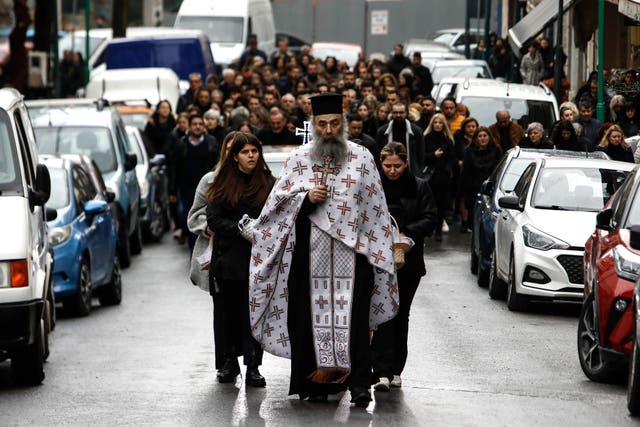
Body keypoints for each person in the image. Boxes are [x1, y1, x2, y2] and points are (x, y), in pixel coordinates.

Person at [248, 93, 398, 406]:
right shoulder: (300, 158)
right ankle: (313, 383)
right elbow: (275, 206)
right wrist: (304, 199)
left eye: (334, 123)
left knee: (355, 322)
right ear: (314, 126)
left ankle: (358, 385)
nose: (328, 129)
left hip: (354, 256)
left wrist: (379, 250)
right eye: (322, 124)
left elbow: (376, 208)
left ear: (342, 124)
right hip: (308, 258)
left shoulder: (362, 158)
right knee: (308, 318)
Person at [206, 132, 275, 387]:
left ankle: (253, 366)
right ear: (235, 157)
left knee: (254, 315)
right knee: (227, 315)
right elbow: (213, 217)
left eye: (254, 152)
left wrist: (259, 230)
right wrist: (239, 228)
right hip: (227, 260)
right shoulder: (223, 182)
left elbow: (279, 213)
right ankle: (228, 363)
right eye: (245, 152)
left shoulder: (267, 182)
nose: (251, 157)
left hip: (258, 261)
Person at [371, 142, 437, 391]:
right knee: (381, 315)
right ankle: (381, 370)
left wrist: (408, 235)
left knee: (401, 314)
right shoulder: (374, 187)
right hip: (378, 260)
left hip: (407, 261)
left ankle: (396, 369)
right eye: (387, 166)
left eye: (397, 166)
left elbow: (430, 217)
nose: (392, 171)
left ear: (406, 163)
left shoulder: (419, 186)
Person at [187, 132, 236, 378]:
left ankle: (251, 363)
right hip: (217, 254)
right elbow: (194, 215)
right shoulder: (210, 180)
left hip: (245, 255)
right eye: (229, 150)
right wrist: (208, 226)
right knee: (223, 311)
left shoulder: (254, 181)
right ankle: (226, 362)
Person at [170, 114, 221, 250]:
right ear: (189, 126)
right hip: (187, 189)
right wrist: (173, 190)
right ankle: (193, 249)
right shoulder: (181, 144)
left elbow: (217, 164)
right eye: (195, 124)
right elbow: (175, 168)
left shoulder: (211, 142)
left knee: (206, 218)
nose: (198, 127)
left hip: (208, 188)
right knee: (188, 217)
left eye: (200, 124)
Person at [460, 127, 502, 231]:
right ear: (476, 139)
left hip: (491, 188)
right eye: (480, 136)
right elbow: (465, 171)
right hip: (474, 188)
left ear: (489, 137)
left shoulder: (496, 150)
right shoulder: (469, 151)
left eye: (485, 136)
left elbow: (499, 170)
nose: (482, 138)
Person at [423, 113, 456, 241]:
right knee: (429, 204)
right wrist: (433, 155)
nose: (437, 125)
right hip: (429, 176)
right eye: (435, 122)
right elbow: (422, 157)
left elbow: (452, 158)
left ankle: (438, 230)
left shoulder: (447, 140)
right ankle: (429, 228)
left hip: (443, 177)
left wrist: (447, 169)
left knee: (441, 204)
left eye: (440, 122)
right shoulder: (426, 138)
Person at [375, 102, 425, 178]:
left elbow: (421, 154)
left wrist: (419, 171)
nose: (398, 115)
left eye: (401, 112)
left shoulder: (416, 131)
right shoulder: (382, 131)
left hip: (412, 172)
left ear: (407, 113)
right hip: (389, 173)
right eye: (395, 112)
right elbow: (378, 153)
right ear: (391, 113)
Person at [453, 117, 478, 231]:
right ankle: (464, 220)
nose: (471, 129)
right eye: (469, 126)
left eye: (473, 126)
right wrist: (458, 161)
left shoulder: (479, 139)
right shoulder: (459, 140)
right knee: (462, 196)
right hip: (461, 172)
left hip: (475, 172)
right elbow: (454, 153)